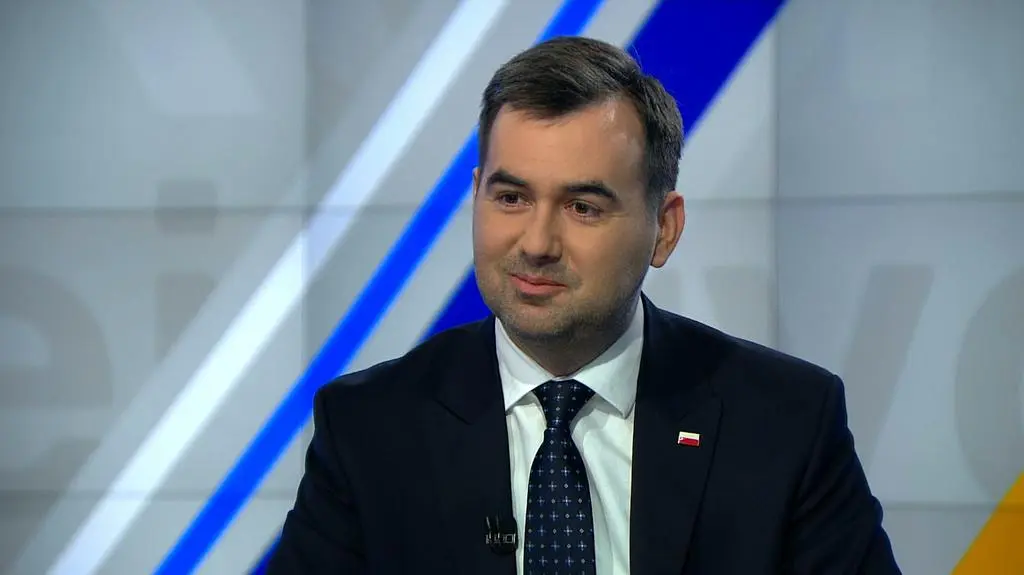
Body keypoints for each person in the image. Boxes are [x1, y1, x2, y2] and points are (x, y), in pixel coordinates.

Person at [267, 36, 901, 574]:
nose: (536, 243)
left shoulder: (785, 423)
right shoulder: (371, 428)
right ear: (476, 196)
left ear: (664, 228)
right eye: (511, 198)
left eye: (583, 207)